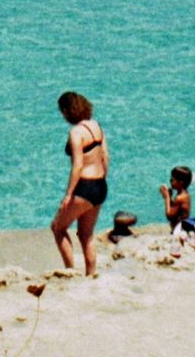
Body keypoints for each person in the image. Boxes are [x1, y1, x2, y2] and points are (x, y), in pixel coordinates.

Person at [51, 91, 108, 276]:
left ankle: (70, 272)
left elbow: (77, 165)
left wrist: (68, 195)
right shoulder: (96, 126)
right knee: (86, 235)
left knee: (58, 227)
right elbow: (105, 157)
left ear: (68, 111)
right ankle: (91, 274)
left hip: (85, 186)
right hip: (100, 185)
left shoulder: (76, 132)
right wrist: (102, 179)